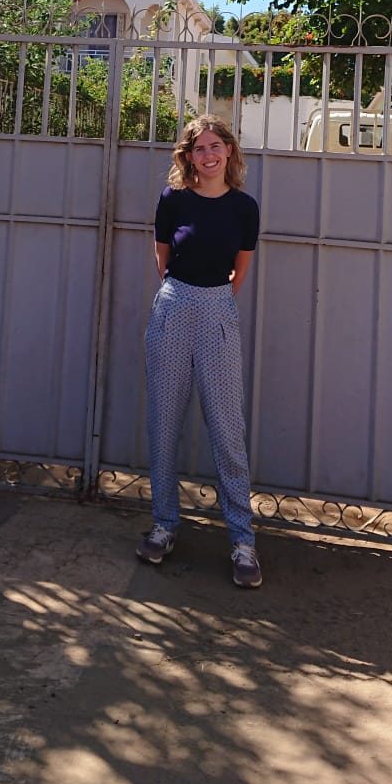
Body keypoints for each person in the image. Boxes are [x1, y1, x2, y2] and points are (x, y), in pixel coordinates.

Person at [136, 114, 262, 588]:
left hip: (217, 312)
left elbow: (240, 270)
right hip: (173, 307)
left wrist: (214, 302)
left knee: (227, 428)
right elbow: (162, 256)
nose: (207, 155)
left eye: (215, 146)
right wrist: (180, 296)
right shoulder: (173, 199)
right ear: (187, 156)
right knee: (164, 422)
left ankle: (242, 539)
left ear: (229, 151)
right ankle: (164, 525)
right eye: (198, 148)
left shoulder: (245, 208)